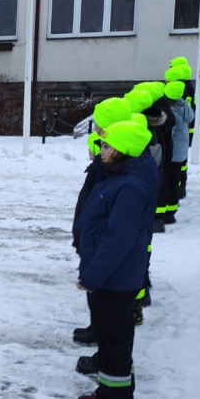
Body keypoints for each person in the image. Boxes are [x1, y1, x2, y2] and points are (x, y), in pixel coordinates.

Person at [75, 118, 159, 399]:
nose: (101, 149)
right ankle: (121, 388)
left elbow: (117, 239)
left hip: (114, 278)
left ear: (122, 150)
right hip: (113, 275)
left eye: (107, 145)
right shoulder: (118, 177)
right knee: (116, 337)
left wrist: (92, 276)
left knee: (113, 337)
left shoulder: (129, 187)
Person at [71, 96, 132, 349]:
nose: (93, 126)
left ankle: (101, 338)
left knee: (106, 303)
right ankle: (97, 328)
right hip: (94, 239)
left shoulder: (117, 169)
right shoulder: (110, 159)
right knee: (99, 299)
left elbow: (114, 222)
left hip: (101, 243)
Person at [163, 80, 194, 224]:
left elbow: (170, 133)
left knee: (168, 182)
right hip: (181, 151)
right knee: (175, 181)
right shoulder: (185, 106)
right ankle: (172, 210)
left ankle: (168, 213)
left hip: (173, 152)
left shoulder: (172, 111)